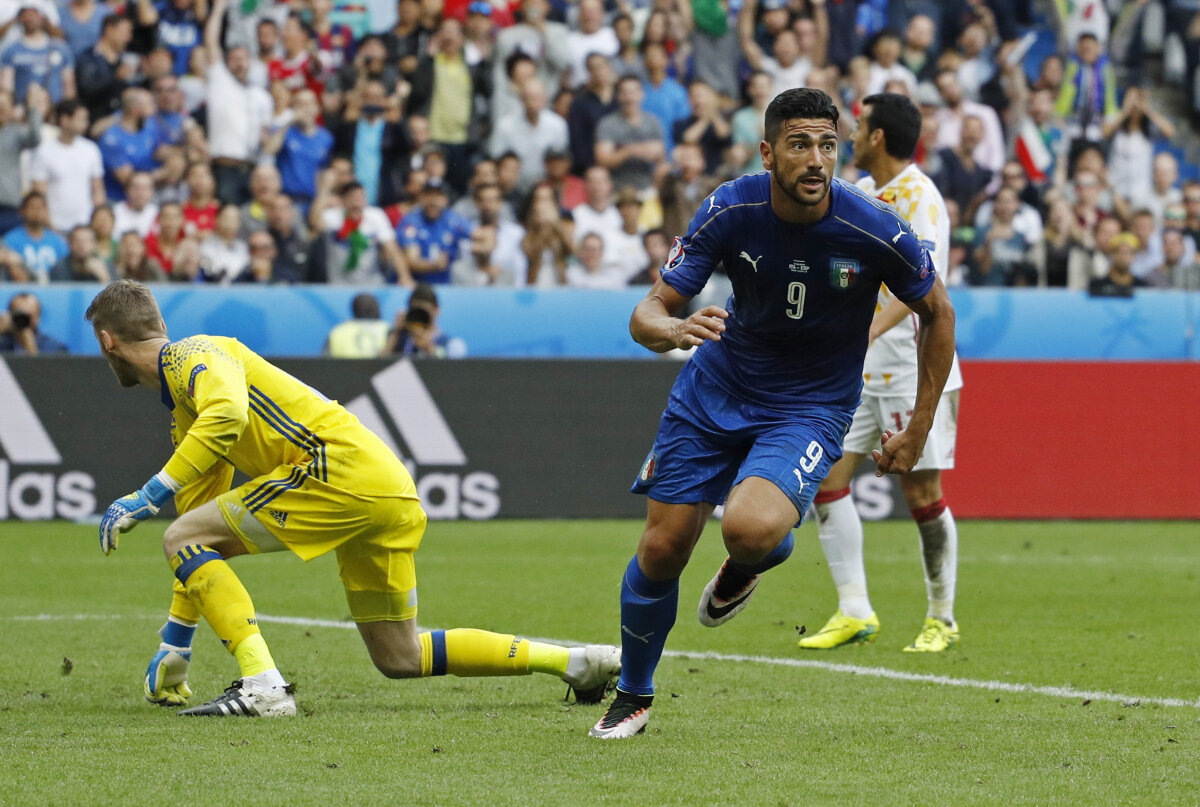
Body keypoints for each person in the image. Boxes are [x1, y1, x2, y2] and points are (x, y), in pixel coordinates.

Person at [589, 88, 956, 739]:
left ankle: (749, 564)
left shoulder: (873, 224)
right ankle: (635, 694)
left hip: (810, 404)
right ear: (768, 151)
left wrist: (920, 425)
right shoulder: (731, 207)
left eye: (827, 144)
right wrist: (674, 330)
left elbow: (938, 312)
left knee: (751, 531)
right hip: (715, 388)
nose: (816, 159)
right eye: (799, 144)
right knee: (664, 545)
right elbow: (646, 311)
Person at [85, 279, 619, 717]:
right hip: (385, 486)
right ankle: (575, 662)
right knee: (400, 656)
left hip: (331, 470)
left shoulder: (191, 354)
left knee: (182, 536)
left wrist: (145, 494)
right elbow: (199, 532)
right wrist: (176, 640)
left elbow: (227, 418)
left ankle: (262, 687)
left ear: (108, 341)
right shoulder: (186, 406)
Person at [799, 93, 964, 653]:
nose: (850, 133)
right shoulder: (864, 195)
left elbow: (927, 280)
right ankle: (854, 608)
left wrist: (871, 328)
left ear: (878, 137)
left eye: (860, 124)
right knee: (826, 479)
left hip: (908, 366)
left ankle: (941, 616)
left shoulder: (920, 196)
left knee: (921, 491)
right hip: (857, 371)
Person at [30, 98, 105, 232]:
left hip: (85, 225)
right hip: (54, 224)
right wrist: (49, 224)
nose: (86, 123)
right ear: (64, 120)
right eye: (81, 118)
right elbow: (39, 192)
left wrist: (97, 219)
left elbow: (97, 189)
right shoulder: (44, 151)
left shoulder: (91, 149)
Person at [396, 177, 469, 285]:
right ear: (422, 198)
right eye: (429, 195)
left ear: (446, 199)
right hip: (417, 285)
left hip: (446, 284)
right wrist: (434, 265)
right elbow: (411, 260)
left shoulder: (451, 218)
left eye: (438, 196)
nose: (433, 201)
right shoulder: (411, 221)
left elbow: (480, 234)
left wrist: (477, 248)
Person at [3, 192, 68, 282]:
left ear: (46, 211)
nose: (36, 212)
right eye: (32, 208)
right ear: (23, 211)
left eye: (40, 208)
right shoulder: (10, 239)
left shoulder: (57, 241)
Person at [324, 292, 390, 357]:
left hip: (343, 367)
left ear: (354, 310)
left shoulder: (338, 331)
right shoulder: (388, 329)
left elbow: (324, 362)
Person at [0, 291, 68, 354]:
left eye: (29, 316)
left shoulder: (55, 348)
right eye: (19, 316)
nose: (23, 321)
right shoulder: (3, 343)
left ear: (38, 316)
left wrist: (31, 347)